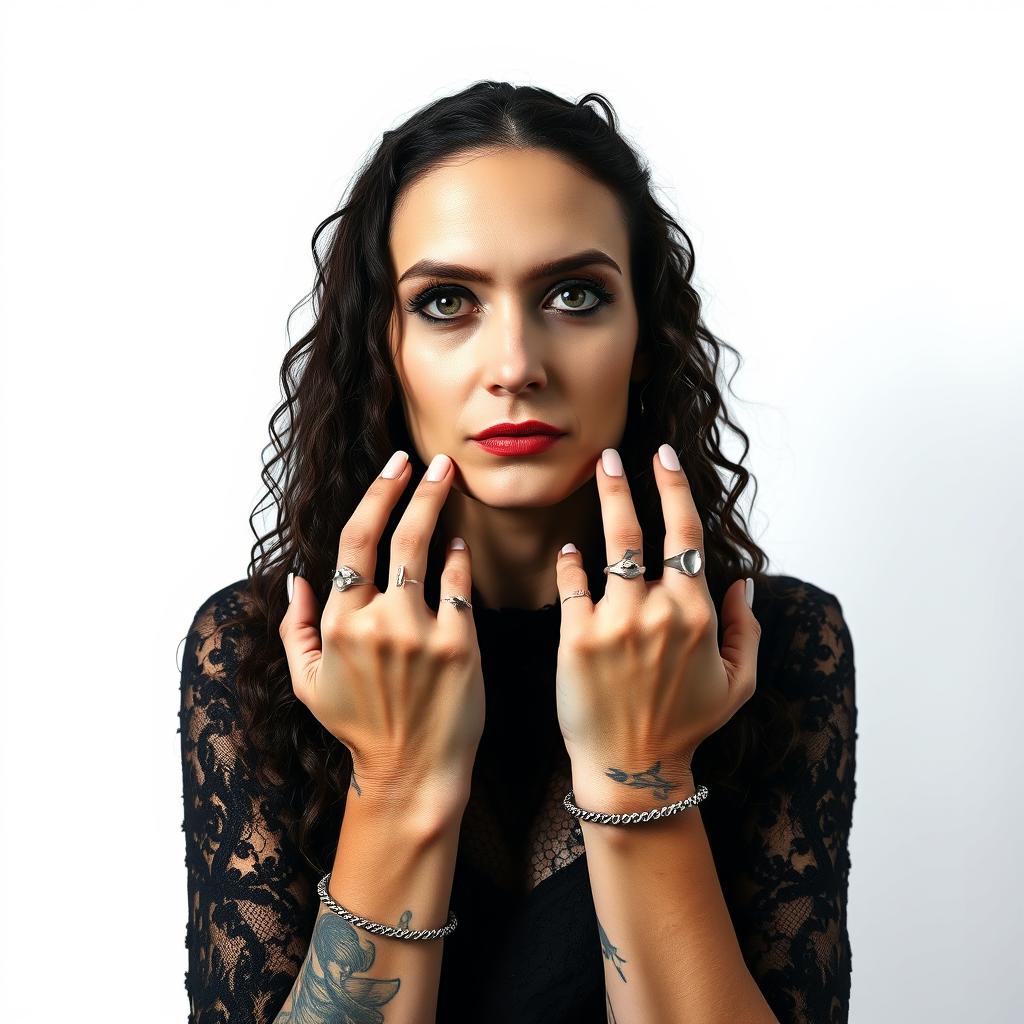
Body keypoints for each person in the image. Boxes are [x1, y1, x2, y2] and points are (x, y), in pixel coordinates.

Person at [178, 81, 856, 1024]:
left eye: (574, 296)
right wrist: (397, 783)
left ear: (647, 341)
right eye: (447, 301)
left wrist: (645, 768)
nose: (514, 365)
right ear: (386, 348)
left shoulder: (768, 644)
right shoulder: (266, 647)